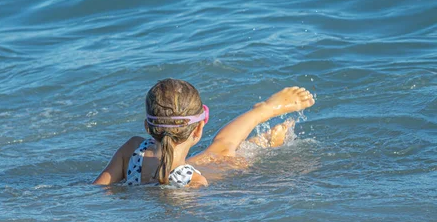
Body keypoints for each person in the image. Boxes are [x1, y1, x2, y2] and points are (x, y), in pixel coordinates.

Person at [93, 78, 315, 187]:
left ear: (147, 127)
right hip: (185, 170)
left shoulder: (132, 150)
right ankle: (262, 119)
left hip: (178, 169)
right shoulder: (194, 180)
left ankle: (262, 130)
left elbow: (99, 190)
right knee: (224, 153)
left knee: (220, 152)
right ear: (198, 128)